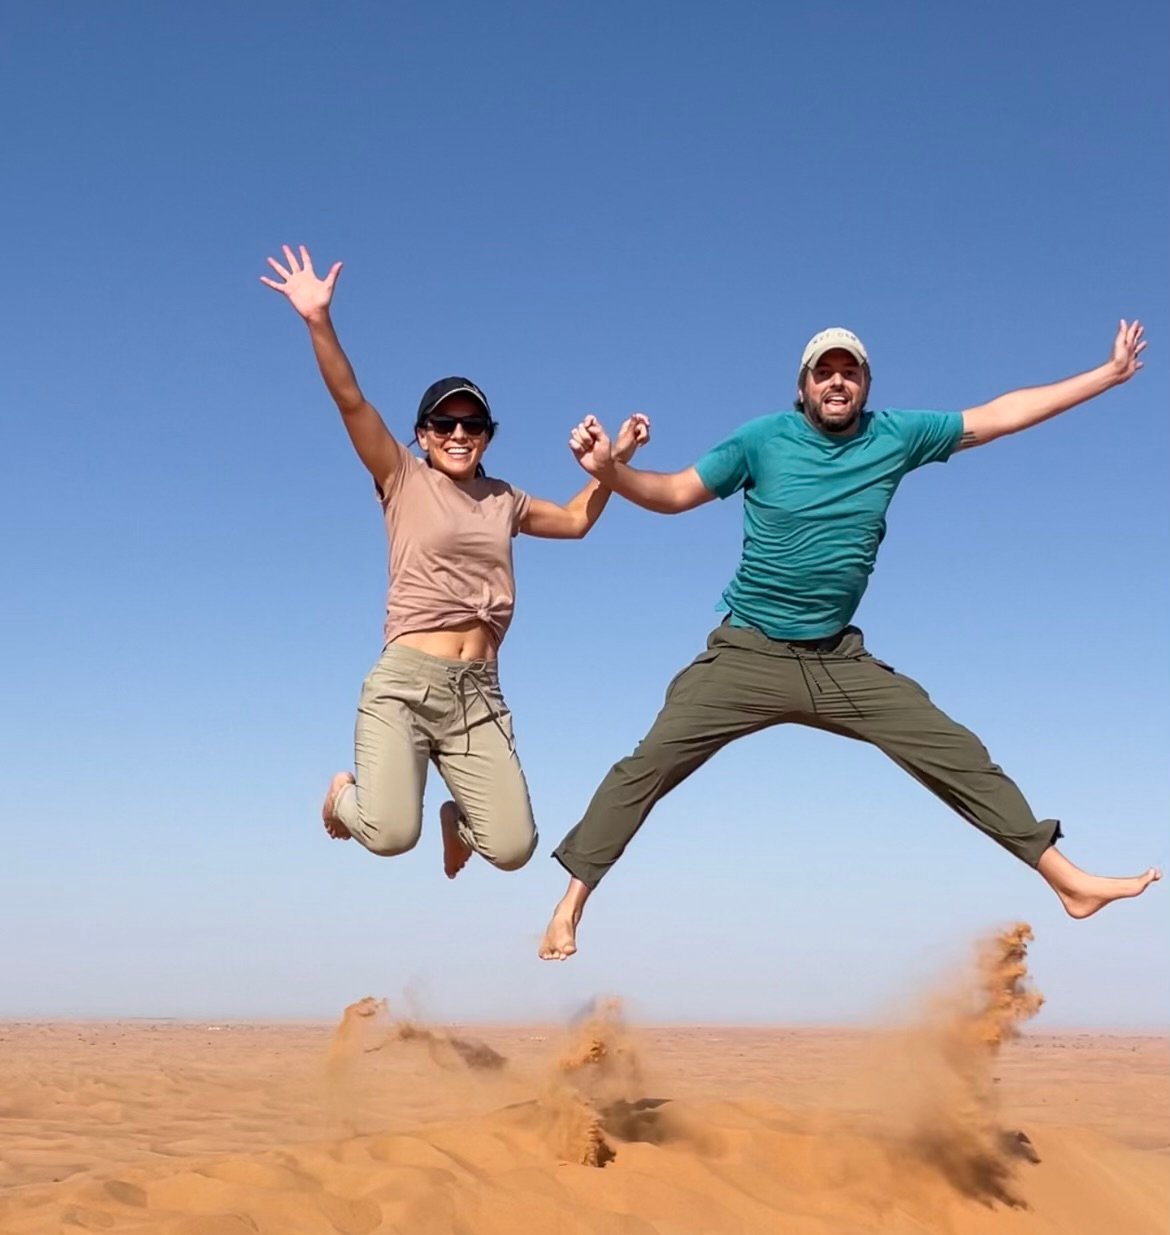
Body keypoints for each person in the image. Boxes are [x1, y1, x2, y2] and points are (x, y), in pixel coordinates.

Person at [538, 322, 1159, 959]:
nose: (837, 381)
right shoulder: (762, 440)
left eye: (850, 372)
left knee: (954, 750)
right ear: (803, 387)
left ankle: (1067, 881)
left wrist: (1105, 375)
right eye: (823, 372)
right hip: (747, 653)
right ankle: (568, 908)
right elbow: (672, 494)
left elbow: (1001, 414)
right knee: (649, 764)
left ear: (864, 384)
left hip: (837, 659)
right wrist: (610, 471)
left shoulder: (896, 435)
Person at [261, 245, 648, 879]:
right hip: (408, 684)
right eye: (445, 425)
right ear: (422, 434)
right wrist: (317, 321)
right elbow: (352, 401)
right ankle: (341, 797)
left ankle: (458, 821)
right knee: (389, 835)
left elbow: (576, 521)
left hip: (479, 695)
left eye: (474, 426)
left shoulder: (504, 500)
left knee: (514, 849)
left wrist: (613, 465)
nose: (459, 436)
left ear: (488, 436)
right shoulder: (401, 478)